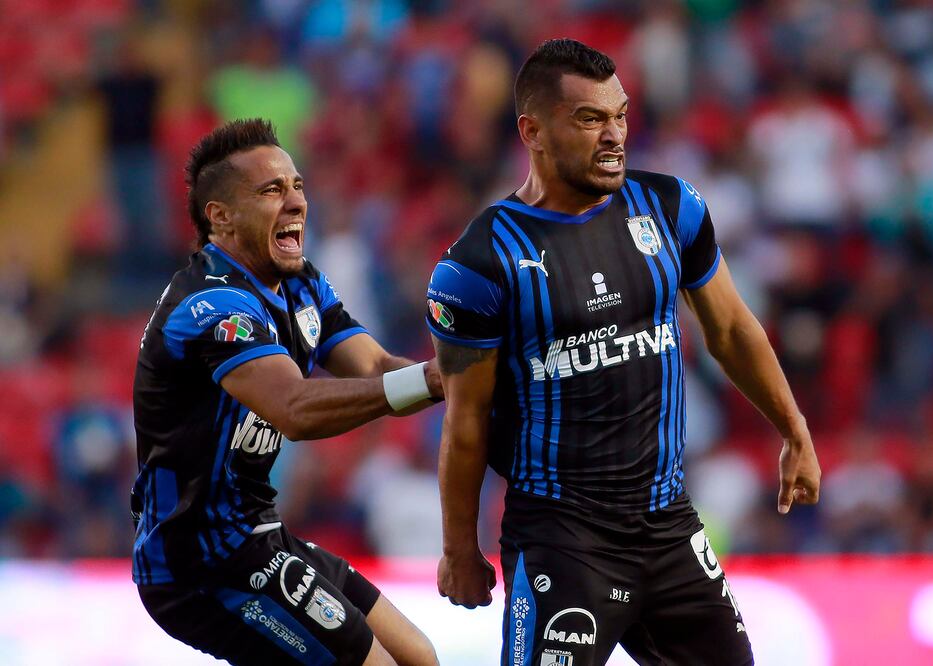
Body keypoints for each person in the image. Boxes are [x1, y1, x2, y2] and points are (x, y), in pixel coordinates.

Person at [426, 39, 821, 665]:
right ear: (532, 130)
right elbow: (467, 420)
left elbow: (731, 330)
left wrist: (793, 429)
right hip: (562, 538)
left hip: (669, 526)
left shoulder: (670, 208)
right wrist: (458, 549)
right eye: (589, 119)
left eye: (621, 114)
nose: (614, 135)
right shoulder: (478, 265)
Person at [131, 118, 440, 666]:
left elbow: (373, 365)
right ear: (219, 217)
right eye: (272, 190)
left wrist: (458, 375)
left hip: (259, 536)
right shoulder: (212, 307)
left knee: (418, 656)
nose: (296, 201)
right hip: (198, 563)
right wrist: (431, 382)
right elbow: (294, 410)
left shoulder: (300, 282)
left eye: (296, 185)